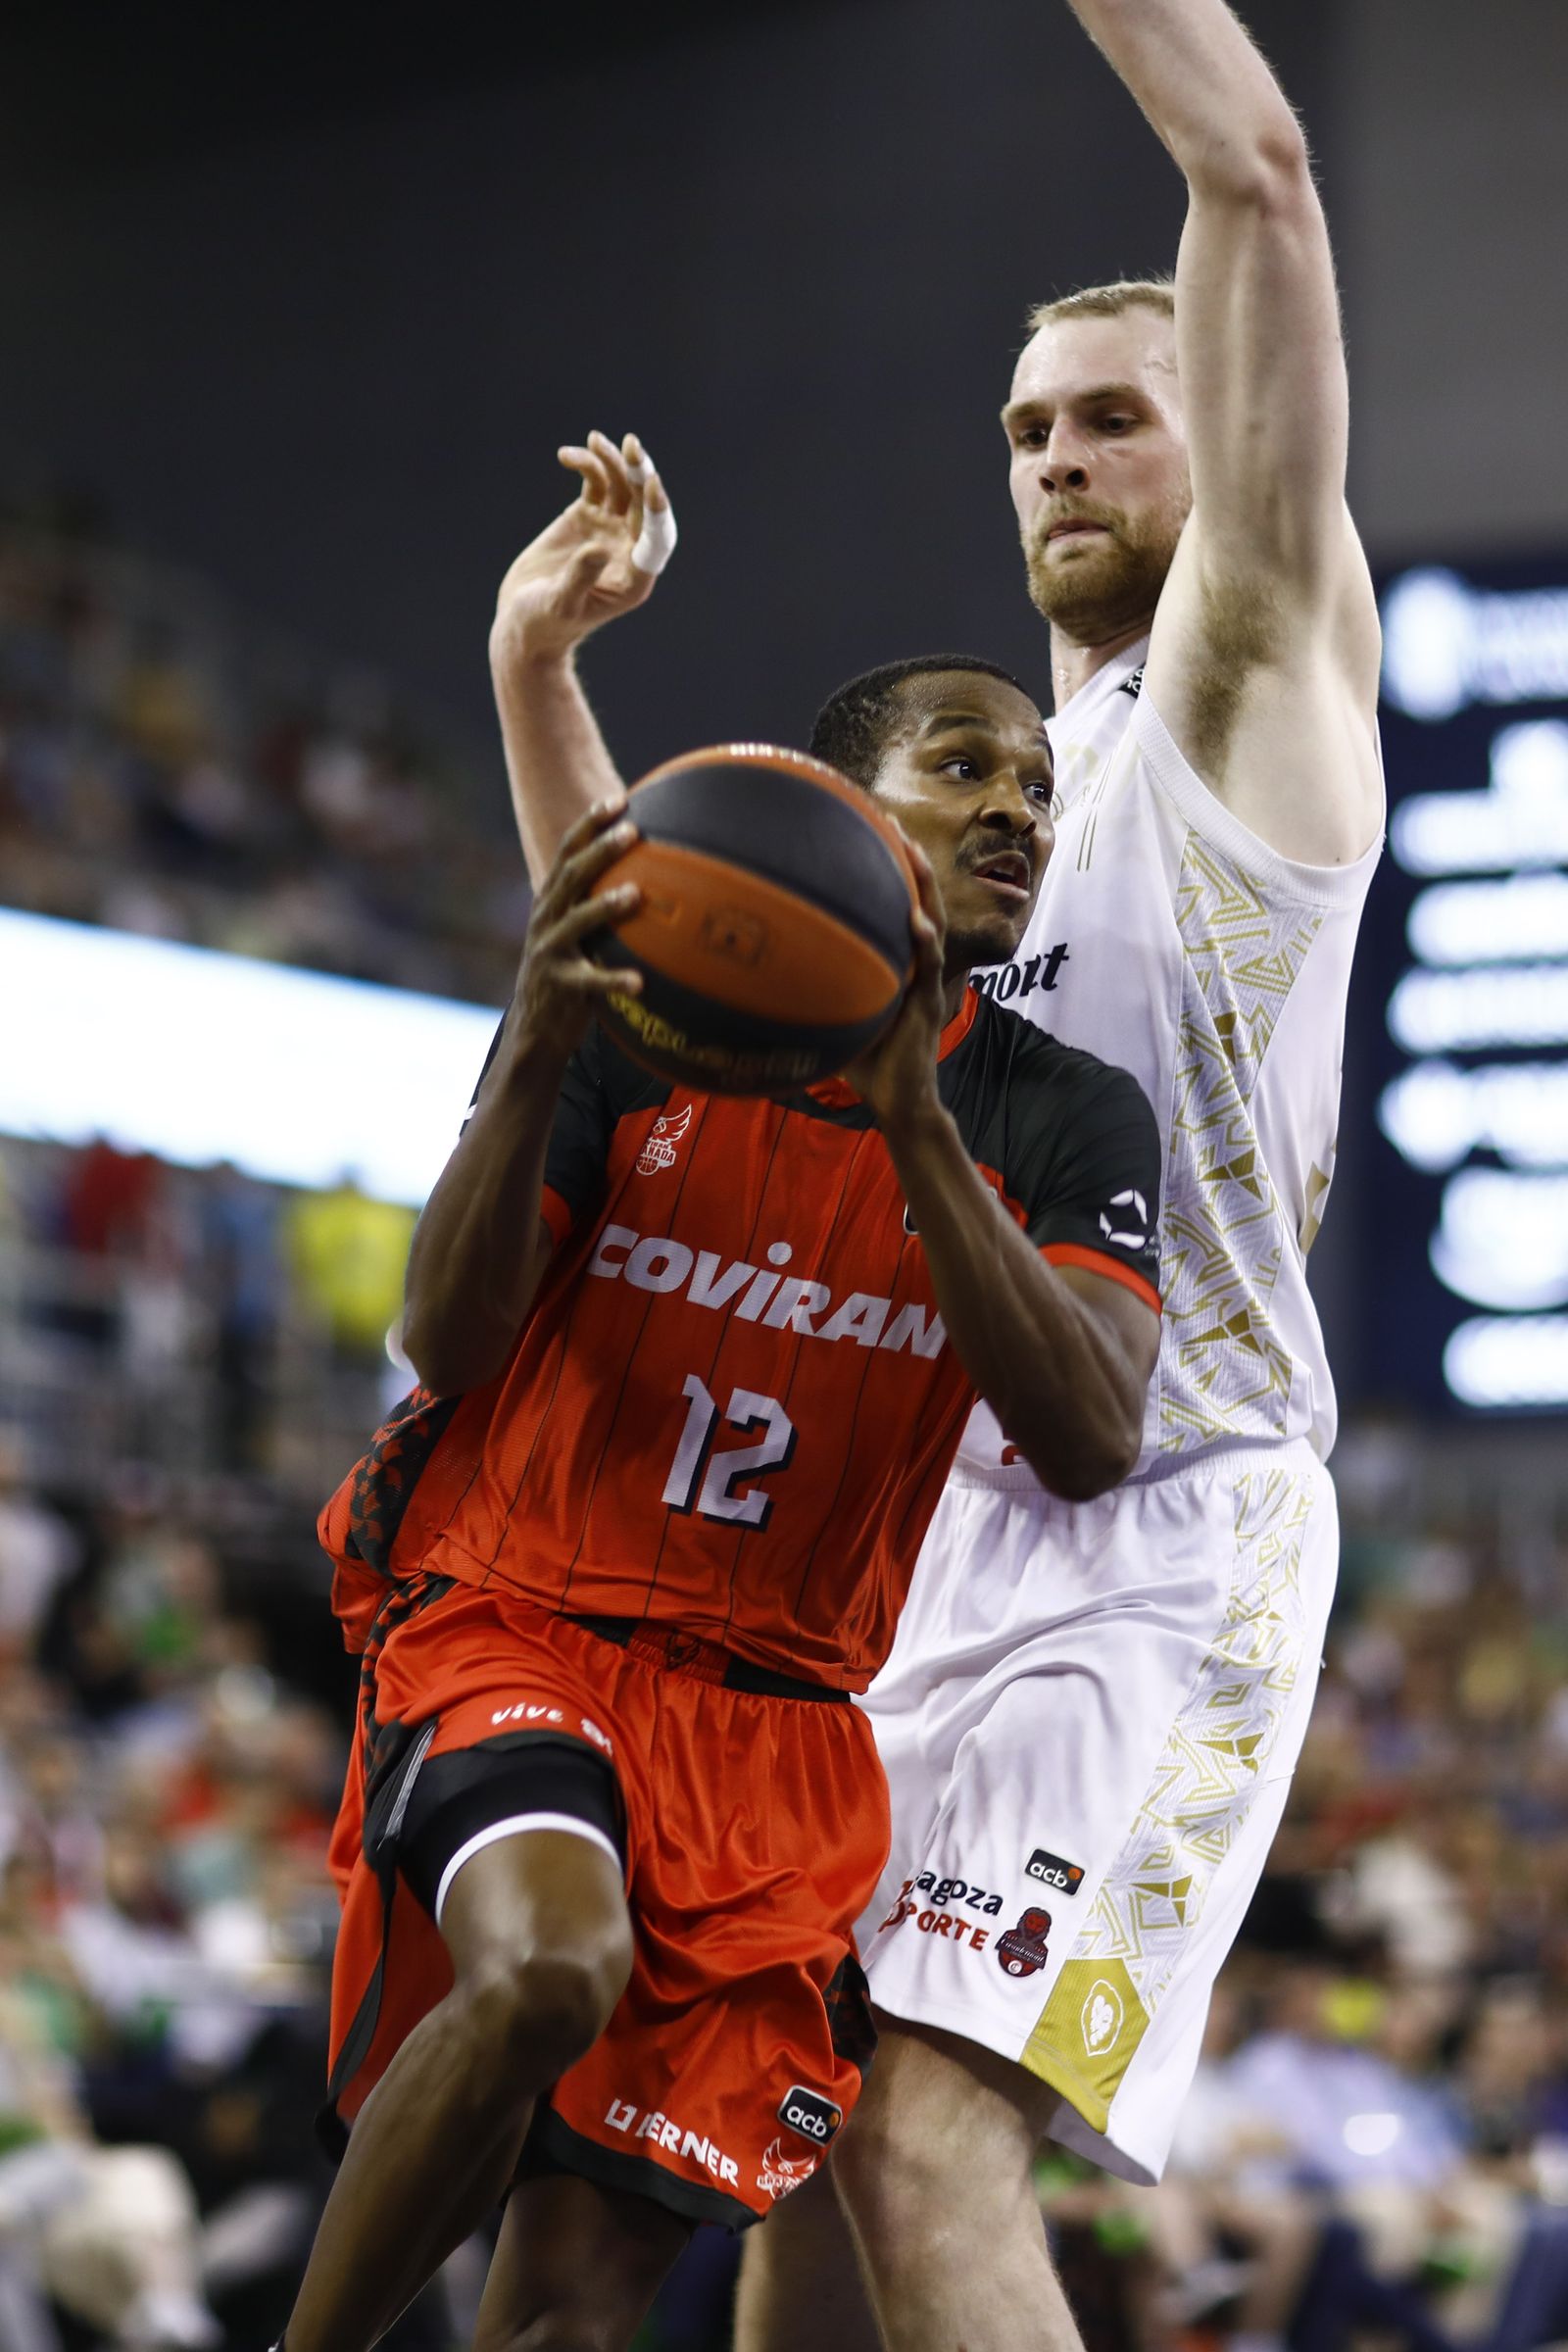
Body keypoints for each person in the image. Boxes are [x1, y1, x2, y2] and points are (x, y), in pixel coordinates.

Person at [496, 0, 1384, 2340]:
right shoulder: (982, 822)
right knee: (794, 2122)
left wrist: (1210, 172)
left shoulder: (1255, 674)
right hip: (915, 1521)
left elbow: (1258, 170)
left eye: (1111, 412)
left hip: (1159, 1513)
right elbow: (664, 982)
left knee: (920, 2135)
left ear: (1228, 442)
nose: (1056, 458)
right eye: (1022, 430)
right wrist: (539, 683)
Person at [271, 588, 1164, 2343]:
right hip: (524, 1625)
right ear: (843, 813)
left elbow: (1088, 1435)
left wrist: (914, 1111)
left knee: (576, 2303)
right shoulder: (629, 1023)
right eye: (963, 763)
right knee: (550, 1968)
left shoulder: (1064, 1112)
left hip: (781, 1734)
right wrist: (529, 1045)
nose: (1018, 809)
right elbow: (447, 1344)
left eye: (1042, 787)